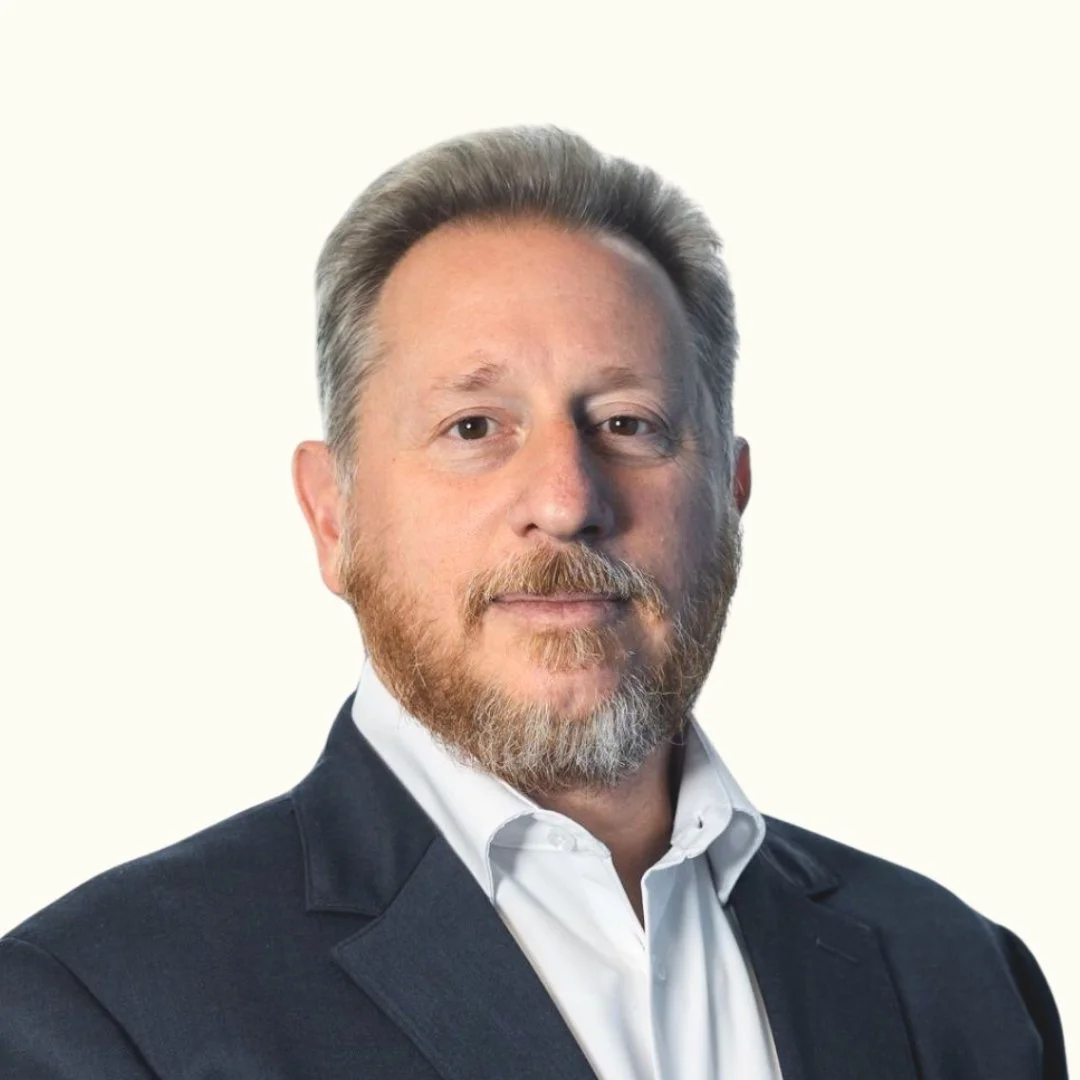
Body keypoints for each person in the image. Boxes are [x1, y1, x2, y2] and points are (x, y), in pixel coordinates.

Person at [0, 127, 1066, 1080]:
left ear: (732, 495)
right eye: (474, 427)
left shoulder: (962, 981)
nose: (566, 501)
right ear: (333, 515)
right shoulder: (95, 1015)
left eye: (629, 424)